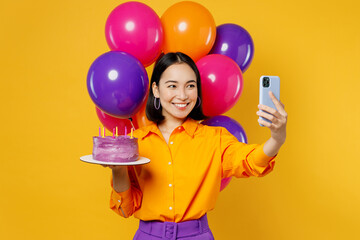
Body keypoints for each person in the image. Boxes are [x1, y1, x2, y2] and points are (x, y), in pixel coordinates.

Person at [102, 52, 287, 239]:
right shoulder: (134, 142)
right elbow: (125, 209)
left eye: (190, 86)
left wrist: (277, 138)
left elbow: (251, 160)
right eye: (172, 86)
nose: (182, 95)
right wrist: (118, 171)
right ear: (156, 90)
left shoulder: (215, 139)